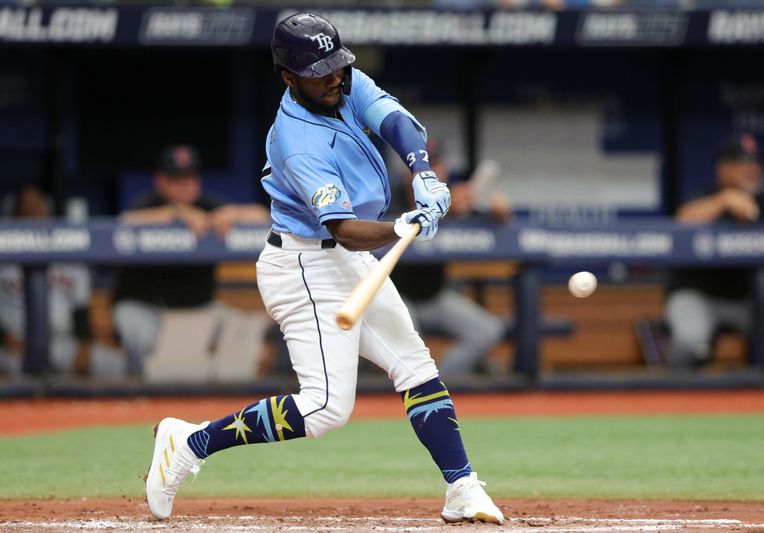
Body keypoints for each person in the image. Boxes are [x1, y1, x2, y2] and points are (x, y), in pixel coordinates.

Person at [145, 13, 503, 525]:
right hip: (303, 265)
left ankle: (462, 488)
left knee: (415, 364)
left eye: (337, 66)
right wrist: (406, 225)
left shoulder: (343, 81)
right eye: (319, 72)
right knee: (325, 409)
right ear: (289, 78)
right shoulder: (298, 140)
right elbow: (344, 229)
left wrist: (422, 172)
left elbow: (395, 118)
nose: (335, 78)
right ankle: (190, 443)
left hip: (347, 259)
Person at [111, 144, 269, 375]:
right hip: (147, 308)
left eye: (191, 177)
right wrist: (175, 214)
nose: (186, 185)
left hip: (199, 310)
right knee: (149, 342)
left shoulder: (206, 205)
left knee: (242, 331)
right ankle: (140, 398)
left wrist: (231, 213)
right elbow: (125, 223)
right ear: (161, 181)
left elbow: (261, 215)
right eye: (177, 178)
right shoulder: (149, 203)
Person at [665, 132, 764, 369]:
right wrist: (724, 200)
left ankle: (761, 402)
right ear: (722, 168)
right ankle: (674, 403)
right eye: (741, 162)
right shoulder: (707, 197)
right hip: (698, 295)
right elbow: (681, 222)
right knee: (689, 344)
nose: (750, 168)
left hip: (747, 301)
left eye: (755, 162)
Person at [390, 140, 510, 378]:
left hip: (435, 296)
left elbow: (490, 217)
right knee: (410, 341)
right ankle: (414, 388)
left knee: (488, 331)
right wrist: (442, 212)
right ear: (407, 170)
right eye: (425, 165)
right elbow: (398, 227)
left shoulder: (447, 197)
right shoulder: (389, 196)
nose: (431, 171)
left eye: (435, 164)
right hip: (396, 297)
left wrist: (499, 212)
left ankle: (439, 383)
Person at [0, 186, 123, 377]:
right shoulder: (3, 257)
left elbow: (80, 311)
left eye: (39, 206)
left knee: (116, 365)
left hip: (61, 343)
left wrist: (84, 346)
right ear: (15, 212)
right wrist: (3, 338)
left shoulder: (68, 256)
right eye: (27, 206)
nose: (34, 211)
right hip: (12, 345)